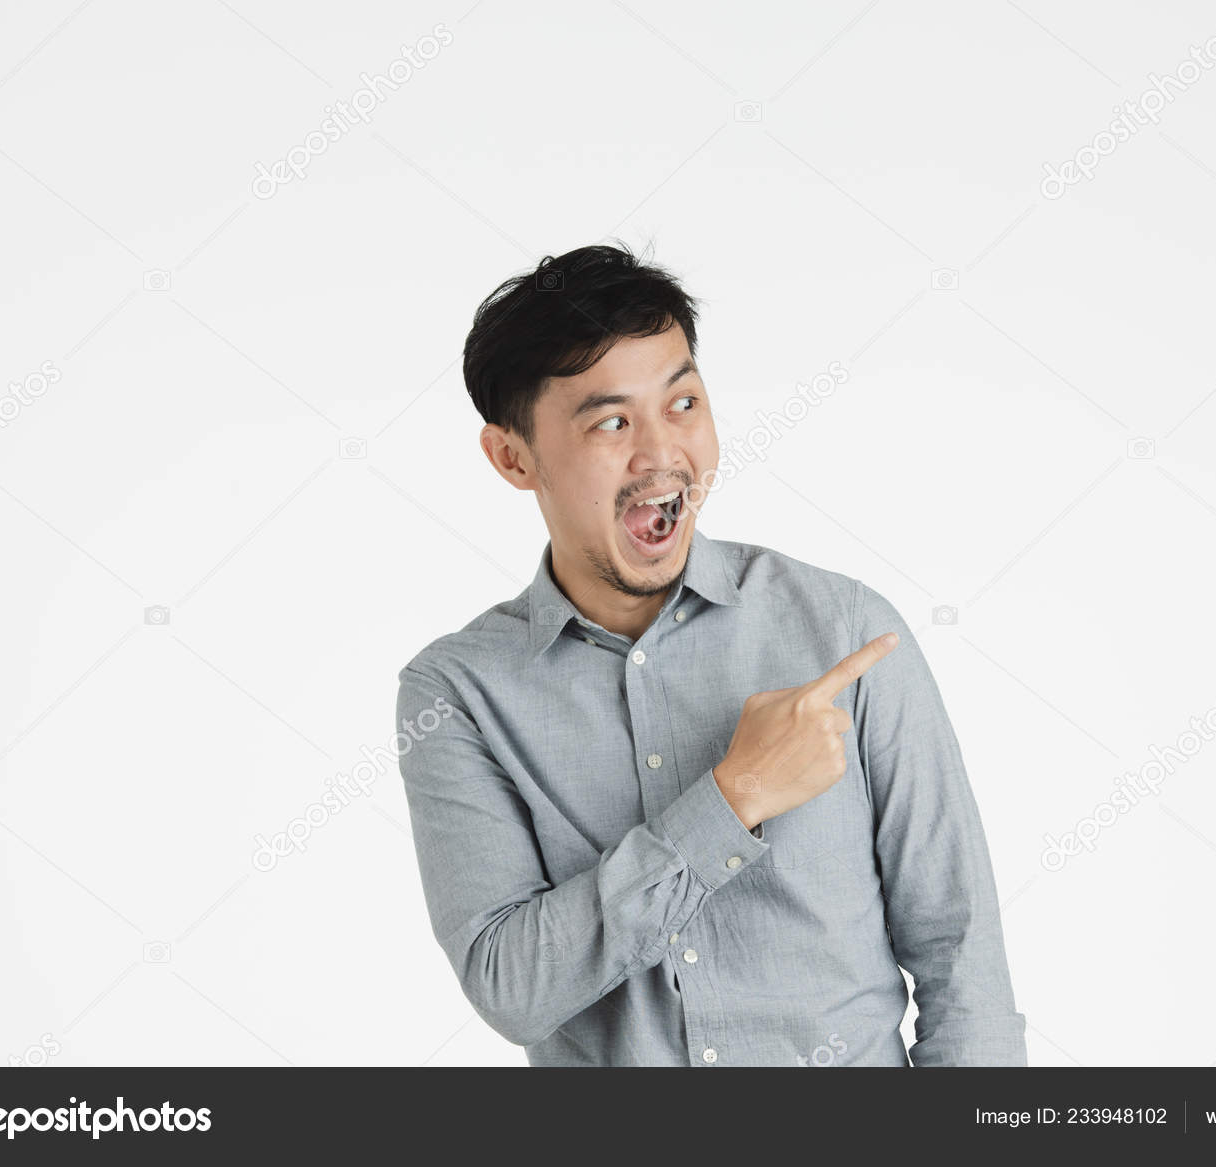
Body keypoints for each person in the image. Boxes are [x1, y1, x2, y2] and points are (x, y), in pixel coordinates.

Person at [396, 242, 1026, 1066]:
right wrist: (734, 797)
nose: (663, 455)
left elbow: (964, 965)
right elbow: (511, 985)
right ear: (514, 457)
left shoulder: (843, 630)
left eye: (683, 403)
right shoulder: (458, 693)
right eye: (612, 421)